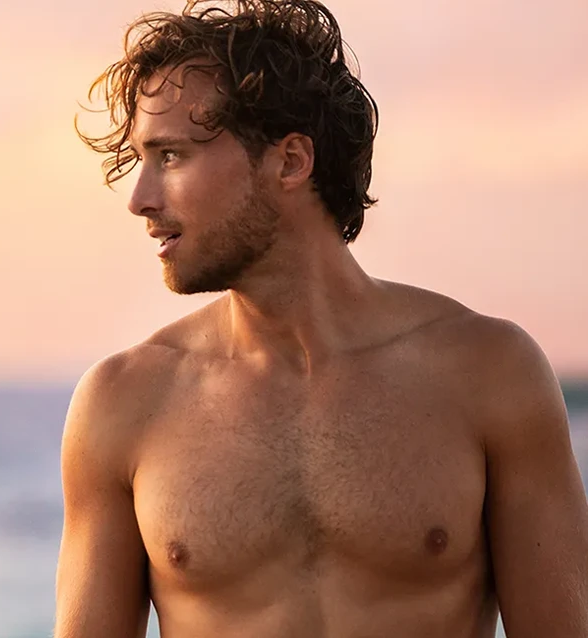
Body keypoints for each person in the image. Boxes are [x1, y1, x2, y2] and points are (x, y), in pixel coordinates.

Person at [54, 1, 588, 636]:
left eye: (171, 156)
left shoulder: (488, 376)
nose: (141, 198)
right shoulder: (124, 403)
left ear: (290, 161)